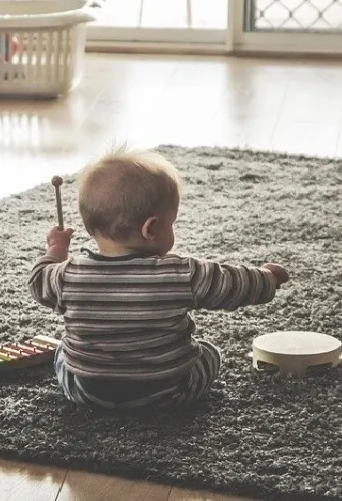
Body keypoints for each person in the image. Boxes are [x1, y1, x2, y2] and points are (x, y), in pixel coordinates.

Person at [28, 148, 290, 410]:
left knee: (62, 352)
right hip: (168, 391)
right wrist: (267, 278)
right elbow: (231, 284)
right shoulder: (181, 274)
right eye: (171, 223)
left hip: (87, 392)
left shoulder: (66, 276)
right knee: (209, 353)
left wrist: (56, 249)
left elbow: (38, 281)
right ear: (151, 228)